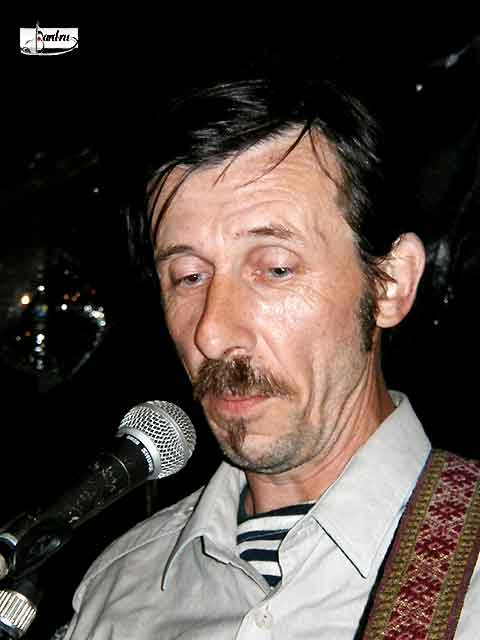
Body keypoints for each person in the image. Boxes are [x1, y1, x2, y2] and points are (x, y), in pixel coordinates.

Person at [64, 73, 480, 638]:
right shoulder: (114, 594)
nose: (212, 332)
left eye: (276, 268)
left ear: (389, 283)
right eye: (188, 276)